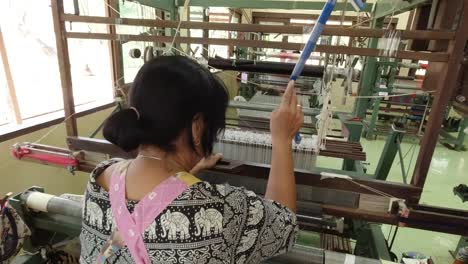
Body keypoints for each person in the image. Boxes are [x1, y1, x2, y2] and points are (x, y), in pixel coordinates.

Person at [80, 55, 304, 263]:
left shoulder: (100, 178)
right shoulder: (219, 209)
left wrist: (185, 176)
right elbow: (285, 226)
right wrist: (282, 140)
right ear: (197, 127)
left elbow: (141, 220)